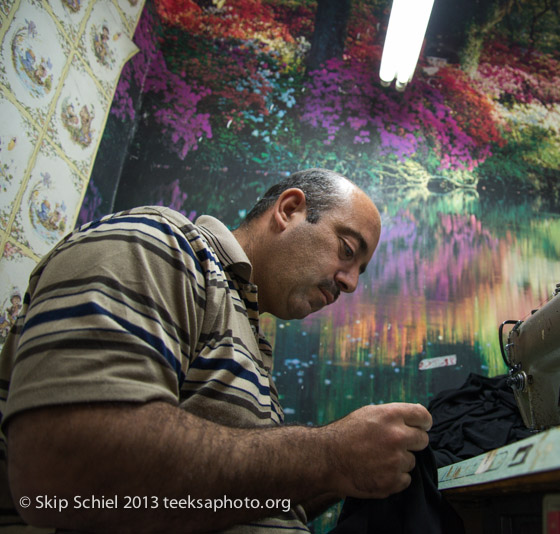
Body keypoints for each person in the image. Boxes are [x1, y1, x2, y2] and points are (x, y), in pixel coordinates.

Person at [0, 168, 432, 533]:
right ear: (288, 210)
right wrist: (329, 455)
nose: (350, 283)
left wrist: (348, 471)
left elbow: (228, 493)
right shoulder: (161, 242)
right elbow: (59, 471)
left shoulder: (247, 331)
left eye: (359, 270)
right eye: (347, 250)